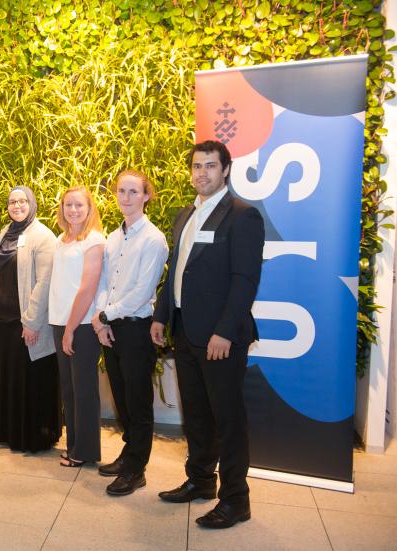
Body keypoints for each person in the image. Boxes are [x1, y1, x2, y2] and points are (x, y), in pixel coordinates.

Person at [151, 140, 264, 529]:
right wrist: (161, 316)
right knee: (197, 415)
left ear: (226, 170)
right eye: (197, 166)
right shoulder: (185, 215)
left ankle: (237, 500)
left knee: (228, 419)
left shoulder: (242, 216)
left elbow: (245, 281)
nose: (202, 173)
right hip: (184, 333)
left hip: (220, 340)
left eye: (210, 166)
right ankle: (201, 481)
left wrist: (225, 332)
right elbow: (176, 272)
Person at [92, 170, 168, 496]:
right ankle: (128, 454)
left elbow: (142, 291)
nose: (126, 197)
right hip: (111, 329)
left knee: (138, 403)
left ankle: (137, 470)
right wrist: (101, 321)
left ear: (146, 196)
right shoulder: (112, 237)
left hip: (136, 330)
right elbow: (104, 283)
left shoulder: (154, 239)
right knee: (122, 399)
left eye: (133, 191)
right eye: (121, 191)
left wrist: (106, 314)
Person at [0, 186, 60, 452]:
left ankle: (30, 436)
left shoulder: (43, 236)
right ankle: (4, 430)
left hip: (25, 324)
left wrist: (31, 322)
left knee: (28, 381)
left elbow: (45, 282)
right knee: (7, 379)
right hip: (1, 321)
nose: (16, 206)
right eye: (12, 202)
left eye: (22, 201)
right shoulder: (6, 232)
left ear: (32, 203)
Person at [48, 185, 105, 467]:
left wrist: (71, 328)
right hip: (60, 322)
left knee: (83, 390)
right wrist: (61, 326)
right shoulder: (62, 239)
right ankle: (74, 447)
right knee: (69, 390)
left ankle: (85, 451)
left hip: (80, 325)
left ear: (89, 208)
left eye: (79, 205)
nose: (73, 210)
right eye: (68, 205)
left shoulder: (93, 241)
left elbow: (87, 288)